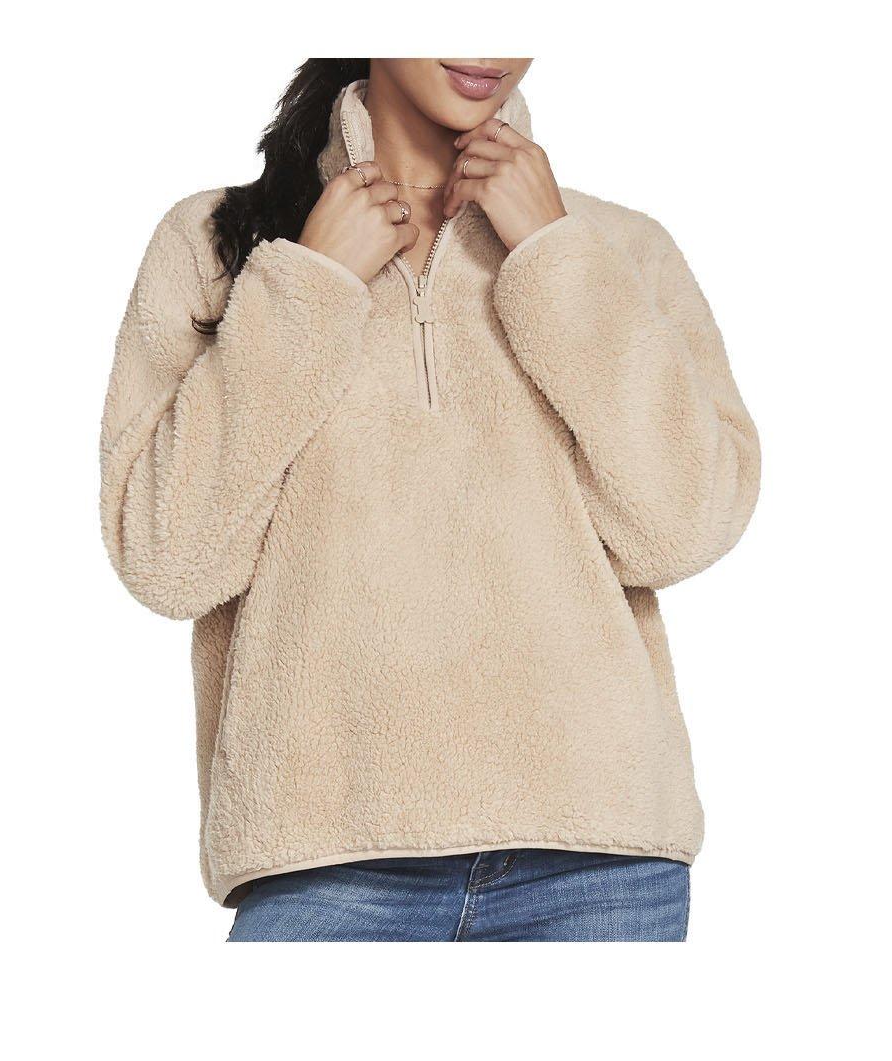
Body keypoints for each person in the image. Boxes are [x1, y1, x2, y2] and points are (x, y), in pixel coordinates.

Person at [99, 58, 760, 941]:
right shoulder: (219, 240)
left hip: (595, 851)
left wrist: (551, 255)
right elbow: (167, 561)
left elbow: (685, 525)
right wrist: (312, 285)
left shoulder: (613, 246)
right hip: (324, 853)